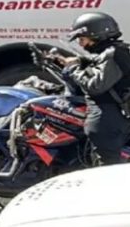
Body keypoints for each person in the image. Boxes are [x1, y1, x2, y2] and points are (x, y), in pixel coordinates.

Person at [53, 12, 130, 166]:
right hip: (115, 116)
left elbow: (95, 86)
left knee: (108, 168)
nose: (81, 44)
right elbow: (97, 61)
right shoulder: (114, 51)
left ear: (97, 35)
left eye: (82, 39)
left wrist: (74, 68)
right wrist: (77, 60)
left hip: (108, 120)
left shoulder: (115, 54)